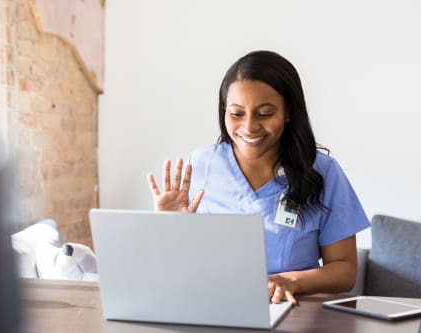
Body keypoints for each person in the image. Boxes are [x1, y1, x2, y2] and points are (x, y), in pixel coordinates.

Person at [147, 50, 370, 305]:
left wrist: (291, 281)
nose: (249, 126)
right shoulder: (199, 166)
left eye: (264, 113)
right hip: (211, 309)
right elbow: (175, 271)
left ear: (288, 112)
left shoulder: (322, 172)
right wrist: (167, 229)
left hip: (291, 313)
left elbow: (344, 271)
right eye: (237, 113)